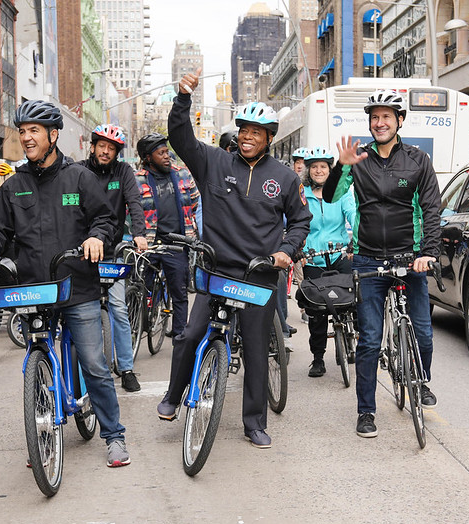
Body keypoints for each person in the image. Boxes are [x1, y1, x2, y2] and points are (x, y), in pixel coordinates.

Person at [160, 69, 311, 448]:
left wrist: (284, 252)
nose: (247, 136)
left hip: (259, 275)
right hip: (216, 269)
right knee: (191, 334)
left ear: (269, 138)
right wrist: (183, 98)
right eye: (243, 129)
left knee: (258, 351)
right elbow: (180, 137)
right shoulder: (213, 162)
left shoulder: (285, 178)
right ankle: (173, 396)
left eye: (256, 132)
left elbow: (301, 221)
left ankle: (254, 423)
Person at [0, 100, 131, 467]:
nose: (26, 138)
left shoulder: (80, 177)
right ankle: (41, 433)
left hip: (77, 286)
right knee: (37, 362)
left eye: (33, 131)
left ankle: (114, 435)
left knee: (94, 364)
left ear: (53, 135)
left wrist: (96, 238)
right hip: (35, 290)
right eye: (23, 131)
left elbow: (106, 220)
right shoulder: (15, 186)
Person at [324, 89, 442, 439]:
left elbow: (432, 210)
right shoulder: (358, 159)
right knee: (370, 341)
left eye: (386, 116)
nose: (380, 122)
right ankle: (366, 411)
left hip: (411, 259)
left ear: (399, 120)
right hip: (368, 260)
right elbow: (330, 195)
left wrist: (428, 253)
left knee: (423, 333)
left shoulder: (418, 160)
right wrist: (340, 166)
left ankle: (420, 382)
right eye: (375, 117)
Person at [78, 124, 147, 392]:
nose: (106, 151)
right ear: (93, 146)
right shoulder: (79, 170)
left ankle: (127, 368)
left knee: (118, 308)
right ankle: (83, 373)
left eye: (112, 148)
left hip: (114, 251)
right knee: (83, 312)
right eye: (102, 146)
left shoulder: (123, 172)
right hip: (84, 251)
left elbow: (135, 202)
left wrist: (139, 233)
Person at [134, 132, 200, 338]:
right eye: (160, 153)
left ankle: (180, 336)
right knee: (141, 288)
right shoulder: (137, 179)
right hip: (149, 245)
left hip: (177, 244)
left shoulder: (182, 175)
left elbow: (195, 204)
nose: (166, 157)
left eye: (167, 152)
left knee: (179, 294)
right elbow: (130, 211)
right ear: (147, 158)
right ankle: (142, 324)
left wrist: (192, 232)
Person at [299, 147, 356, 378]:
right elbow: (295, 222)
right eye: (314, 167)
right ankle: (318, 358)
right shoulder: (301, 193)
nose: (319, 170)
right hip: (313, 257)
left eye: (323, 166)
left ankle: (351, 337)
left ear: (330, 170)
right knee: (317, 311)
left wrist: (357, 243)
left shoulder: (341, 191)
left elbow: (354, 215)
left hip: (340, 254)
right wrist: (297, 250)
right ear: (309, 171)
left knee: (354, 296)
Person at [292, 146, 310, 323]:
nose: (300, 166)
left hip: (315, 241)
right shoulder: (290, 182)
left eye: (303, 163)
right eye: (297, 162)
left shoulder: (312, 188)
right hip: (297, 240)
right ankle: (304, 308)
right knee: (300, 276)